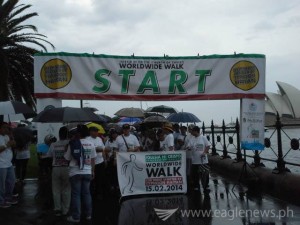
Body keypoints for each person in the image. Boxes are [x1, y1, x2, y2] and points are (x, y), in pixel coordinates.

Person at [64, 124, 96, 223]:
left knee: (76, 194)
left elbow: (67, 158)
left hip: (75, 172)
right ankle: (88, 215)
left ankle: (76, 217)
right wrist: (92, 171)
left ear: (78, 132)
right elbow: (93, 159)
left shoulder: (73, 143)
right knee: (87, 193)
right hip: (87, 171)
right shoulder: (91, 143)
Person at [47, 126, 70, 216]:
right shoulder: (70, 143)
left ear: (59, 135)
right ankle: (66, 210)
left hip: (56, 168)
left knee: (56, 189)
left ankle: (57, 209)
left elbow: (49, 155)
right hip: (67, 168)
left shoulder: (54, 144)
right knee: (67, 190)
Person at [187, 126, 210, 192]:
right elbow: (189, 145)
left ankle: (206, 186)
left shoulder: (203, 137)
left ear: (196, 131)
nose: (191, 133)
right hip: (194, 160)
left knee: (205, 173)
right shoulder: (192, 138)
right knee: (195, 174)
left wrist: (204, 152)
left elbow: (208, 146)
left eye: (192, 131)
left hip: (203, 160)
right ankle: (196, 186)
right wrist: (188, 147)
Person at [0, 122, 17, 208]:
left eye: (7, 128)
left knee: (11, 181)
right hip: (1, 165)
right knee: (1, 185)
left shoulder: (7, 136)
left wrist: (11, 137)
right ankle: (1, 201)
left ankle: (8, 197)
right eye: (4, 128)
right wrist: (7, 145)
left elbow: (13, 145)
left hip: (8, 163)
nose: (6, 129)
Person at [86, 126, 105, 200]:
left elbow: (103, 149)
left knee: (100, 179)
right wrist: (97, 149)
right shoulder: (87, 139)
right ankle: (91, 194)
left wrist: (105, 159)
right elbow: (90, 150)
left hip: (100, 162)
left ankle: (99, 193)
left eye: (97, 131)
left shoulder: (99, 139)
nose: (97, 132)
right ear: (90, 132)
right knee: (91, 180)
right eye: (95, 131)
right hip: (91, 163)